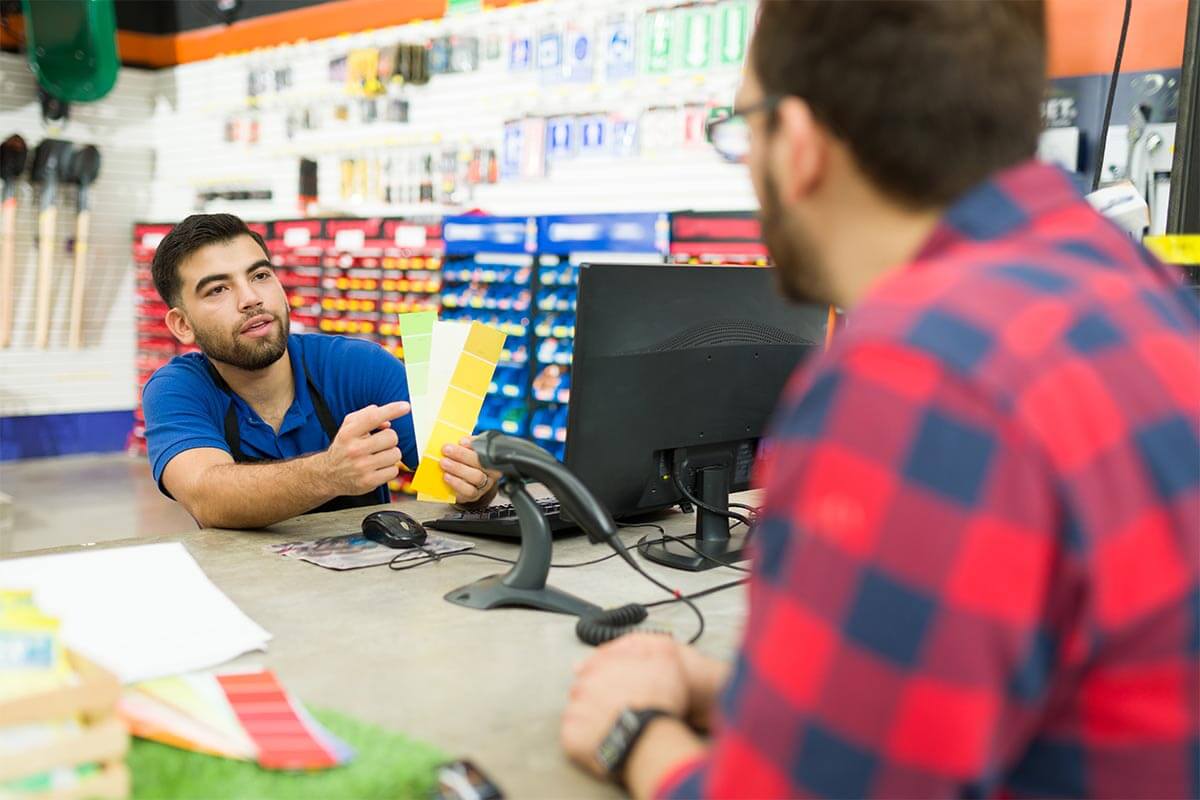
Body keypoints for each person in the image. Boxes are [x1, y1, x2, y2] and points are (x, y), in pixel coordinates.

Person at [561, 2, 1200, 798]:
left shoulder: (915, 383)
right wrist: (743, 700)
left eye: (742, 131)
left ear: (796, 144)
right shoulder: (1142, 299)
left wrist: (635, 736)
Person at [142, 213, 498, 529]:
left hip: (369, 588)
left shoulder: (358, 365)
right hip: (242, 592)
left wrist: (477, 482)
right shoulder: (178, 389)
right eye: (218, 289)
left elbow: (467, 475)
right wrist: (329, 473)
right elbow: (209, 498)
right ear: (182, 325)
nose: (250, 298)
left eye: (260, 275)